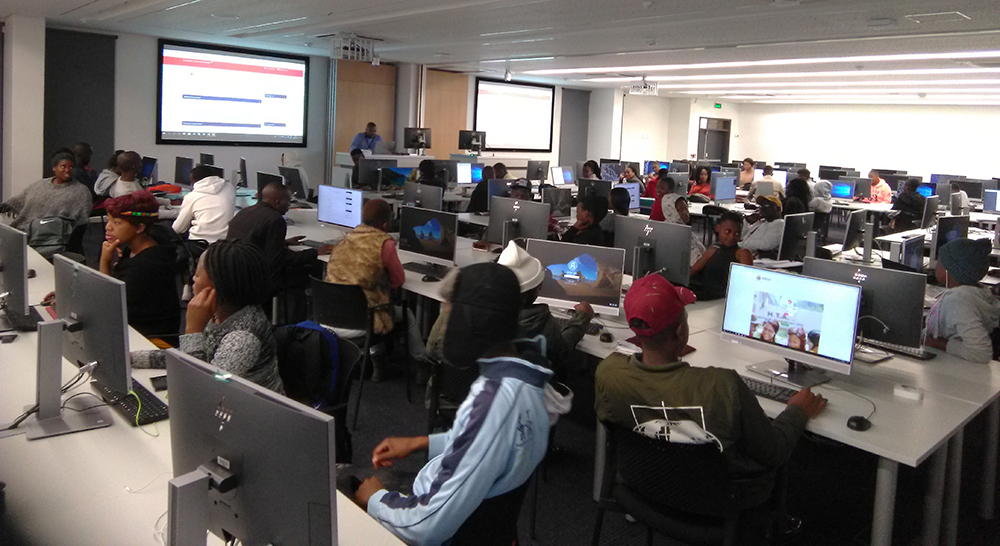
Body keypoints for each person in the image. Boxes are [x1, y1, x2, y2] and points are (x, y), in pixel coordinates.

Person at [595, 273, 827, 524]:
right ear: (681, 331)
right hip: (721, 505)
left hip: (645, 487)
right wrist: (797, 411)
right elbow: (774, 453)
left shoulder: (609, 373)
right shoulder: (722, 386)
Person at [355, 262, 551, 545]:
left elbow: (426, 527)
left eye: (450, 308)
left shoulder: (494, 402)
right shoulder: (527, 379)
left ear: (472, 320)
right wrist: (422, 442)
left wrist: (376, 499)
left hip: (448, 529)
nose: (445, 315)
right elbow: (486, 444)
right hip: (487, 526)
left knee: (341, 489)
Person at [130, 240, 285, 394]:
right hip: (227, 399)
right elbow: (188, 357)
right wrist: (132, 358)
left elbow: (203, 388)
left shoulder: (242, 339)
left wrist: (193, 329)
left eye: (198, 274)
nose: (193, 279)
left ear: (218, 285)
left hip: (248, 407)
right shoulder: (220, 313)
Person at [325, 199, 426, 381]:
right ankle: (422, 366)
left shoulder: (345, 239)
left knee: (372, 304)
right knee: (404, 314)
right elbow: (398, 281)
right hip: (360, 322)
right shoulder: (384, 244)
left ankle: (379, 366)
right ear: (386, 224)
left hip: (329, 317)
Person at [497, 241, 595, 375]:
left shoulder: (487, 311)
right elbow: (562, 350)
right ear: (537, 288)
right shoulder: (541, 321)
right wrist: (582, 318)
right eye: (539, 285)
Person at [99, 191, 180, 339]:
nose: (108, 227)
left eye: (117, 223)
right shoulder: (147, 245)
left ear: (140, 228)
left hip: (147, 339)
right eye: (108, 220)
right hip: (138, 330)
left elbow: (108, 305)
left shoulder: (144, 267)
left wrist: (105, 261)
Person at [227, 182, 331, 293]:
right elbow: (278, 259)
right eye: (288, 202)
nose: (289, 206)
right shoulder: (275, 219)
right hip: (261, 279)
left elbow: (252, 241)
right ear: (277, 202)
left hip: (238, 274)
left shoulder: (245, 211)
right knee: (315, 267)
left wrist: (283, 243)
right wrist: (315, 252)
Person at [924, 238, 1000, 364]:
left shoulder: (958, 301)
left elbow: (981, 352)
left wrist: (935, 343)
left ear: (948, 271)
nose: (935, 265)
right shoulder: (978, 291)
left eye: (940, 262)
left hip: (951, 367)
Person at [0, 151, 91, 230]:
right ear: (54, 168)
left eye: (70, 167)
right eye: (63, 167)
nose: (67, 170)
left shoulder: (80, 191)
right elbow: (19, 199)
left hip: (56, 237)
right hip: (25, 231)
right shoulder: (40, 185)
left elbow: (82, 220)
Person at [689, 210, 754, 300]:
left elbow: (746, 284)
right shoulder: (713, 250)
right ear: (718, 228)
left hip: (722, 298)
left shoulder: (742, 253)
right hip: (703, 292)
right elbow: (693, 271)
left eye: (737, 233)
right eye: (728, 231)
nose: (732, 237)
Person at [172, 164, 236, 244]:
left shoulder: (192, 196)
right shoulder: (230, 188)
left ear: (195, 181)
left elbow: (178, 229)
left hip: (200, 243)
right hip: (224, 243)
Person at [660, 191, 706, 265]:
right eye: (680, 210)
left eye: (685, 208)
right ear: (670, 211)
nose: (685, 212)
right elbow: (695, 263)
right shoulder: (676, 233)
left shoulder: (682, 228)